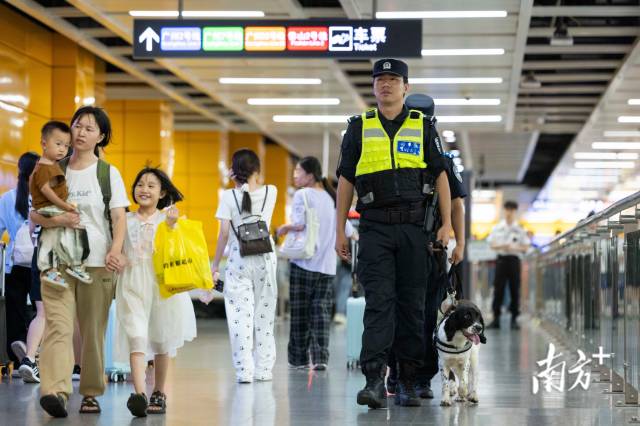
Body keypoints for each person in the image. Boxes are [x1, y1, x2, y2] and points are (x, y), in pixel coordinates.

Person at [335, 58, 452, 409]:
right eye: (380, 79)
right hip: (374, 228)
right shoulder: (359, 128)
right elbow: (345, 180)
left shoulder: (423, 126)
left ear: (406, 87)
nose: (386, 85)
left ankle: (408, 380)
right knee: (379, 304)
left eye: (393, 79)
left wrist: (446, 224)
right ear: (372, 87)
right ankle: (374, 380)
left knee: (412, 306)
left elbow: (442, 176)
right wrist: (340, 228)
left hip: (415, 229)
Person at [31, 106, 130, 418]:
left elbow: (118, 217)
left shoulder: (107, 173)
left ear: (101, 136)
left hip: (96, 262)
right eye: (77, 126)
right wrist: (58, 218)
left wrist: (115, 249)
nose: (81, 132)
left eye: (89, 128)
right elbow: (34, 213)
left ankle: (89, 392)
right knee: (58, 326)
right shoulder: (50, 167)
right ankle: (56, 391)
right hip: (56, 260)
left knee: (92, 330)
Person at [116, 167, 197, 417]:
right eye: (140, 184)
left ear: (162, 192)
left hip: (161, 285)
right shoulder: (124, 219)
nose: (144, 189)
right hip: (131, 283)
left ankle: (158, 392)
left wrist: (172, 227)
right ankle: (140, 394)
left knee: (162, 339)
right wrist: (117, 259)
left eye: (151, 185)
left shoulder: (169, 220)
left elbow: (179, 253)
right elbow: (116, 249)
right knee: (136, 335)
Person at [387, 149, 468, 398]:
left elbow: (456, 203)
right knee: (393, 313)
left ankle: (422, 376)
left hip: (431, 248)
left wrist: (460, 243)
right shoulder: (389, 154)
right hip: (395, 247)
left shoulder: (441, 160)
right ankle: (397, 373)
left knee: (426, 315)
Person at [277, 157, 354, 371]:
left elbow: (300, 224)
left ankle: (299, 359)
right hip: (328, 266)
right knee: (321, 312)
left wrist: (284, 228)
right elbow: (350, 231)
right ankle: (320, 357)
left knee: (300, 312)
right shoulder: (333, 198)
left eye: (298, 172)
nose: (294, 175)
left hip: (304, 263)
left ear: (310, 175)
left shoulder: (302, 194)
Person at [211, 149, 278, 383]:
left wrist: (215, 265)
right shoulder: (272, 191)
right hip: (266, 257)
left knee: (240, 315)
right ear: (257, 171)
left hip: (239, 257)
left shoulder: (228, 197)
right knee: (265, 315)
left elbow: (223, 234)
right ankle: (264, 370)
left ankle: (244, 372)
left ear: (234, 171)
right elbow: (252, 192)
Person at [30, 121, 92, 288]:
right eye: (58, 144)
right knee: (52, 237)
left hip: (55, 207)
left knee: (68, 233)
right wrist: (64, 206)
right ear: (44, 143)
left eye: (66, 145)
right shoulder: (43, 168)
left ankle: (71, 264)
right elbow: (46, 191)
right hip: (48, 207)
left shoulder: (52, 165)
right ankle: (52, 269)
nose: (62, 149)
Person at [0, 152, 39, 372]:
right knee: (41, 311)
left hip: (14, 264)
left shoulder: (8, 198)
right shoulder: (45, 197)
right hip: (40, 262)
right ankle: (31, 353)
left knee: (14, 310)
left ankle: (17, 361)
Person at [486, 200, 530, 330]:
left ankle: (514, 318)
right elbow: (492, 244)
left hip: (514, 261)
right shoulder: (497, 227)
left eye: (512, 210)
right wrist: (503, 246)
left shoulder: (520, 229)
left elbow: (526, 246)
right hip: (501, 260)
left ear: (515, 212)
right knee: (498, 289)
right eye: (507, 209)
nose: (509, 212)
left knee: (514, 289)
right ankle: (496, 318)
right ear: (504, 211)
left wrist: (514, 248)